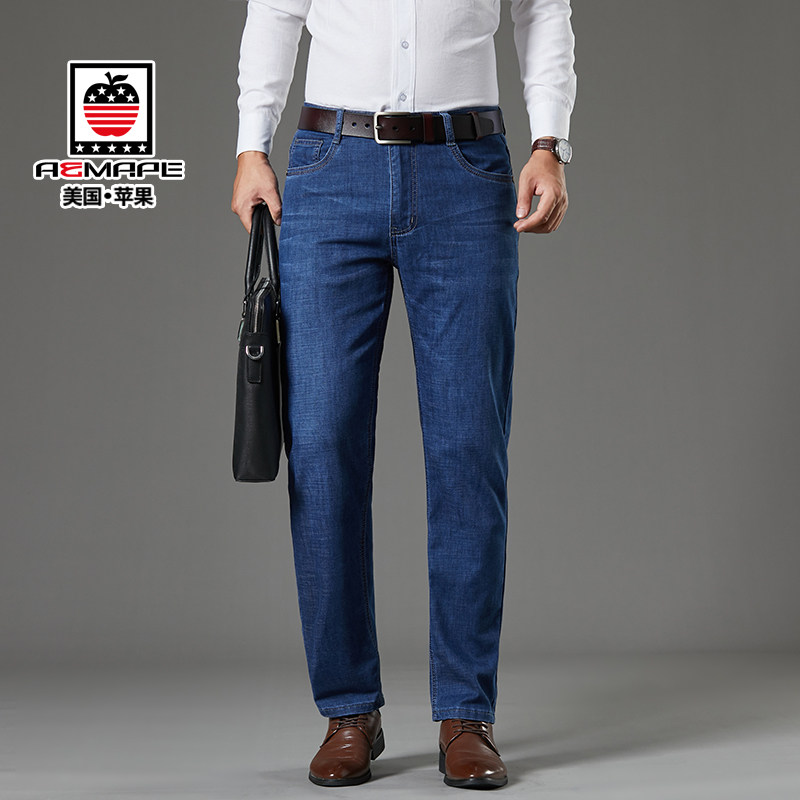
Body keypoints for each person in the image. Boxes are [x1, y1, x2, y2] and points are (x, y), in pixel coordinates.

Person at [231, 0, 576, 789]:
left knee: (468, 447)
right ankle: (348, 710)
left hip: (466, 169)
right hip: (330, 166)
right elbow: (275, 11)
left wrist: (550, 143)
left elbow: (543, 10)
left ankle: (467, 713)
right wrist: (252, 145)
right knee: (322, 445)